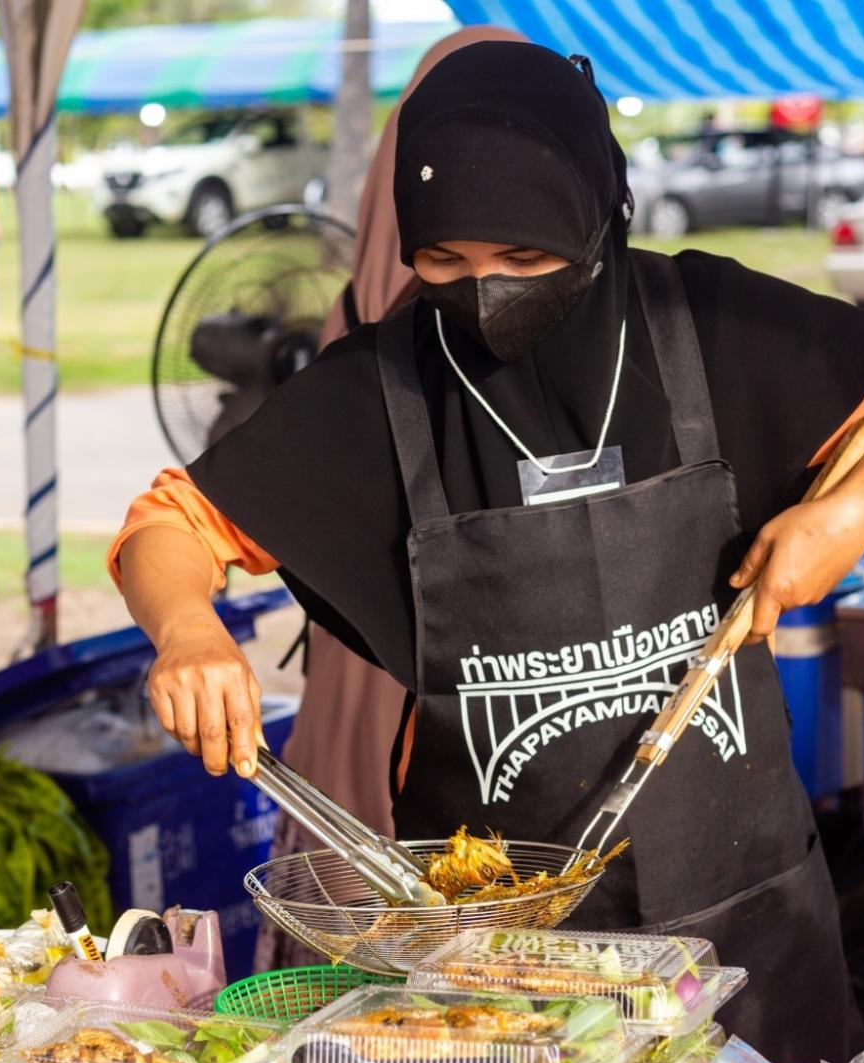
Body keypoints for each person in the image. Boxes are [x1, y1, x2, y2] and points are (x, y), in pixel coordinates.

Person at [109, 44, 864, 1063]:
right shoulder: (384, 386)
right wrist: (184, 630)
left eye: (524, 261)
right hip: (497, 958)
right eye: (444, 264)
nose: (484, 295)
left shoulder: (701, 319)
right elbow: (169, 522)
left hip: (746, 918)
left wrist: (845, 517)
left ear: (595, 213)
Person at [256, 23, 525, 973]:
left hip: (359, 664)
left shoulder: (352, 316)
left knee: (362, 921)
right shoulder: (483, 315)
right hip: (449, 674)